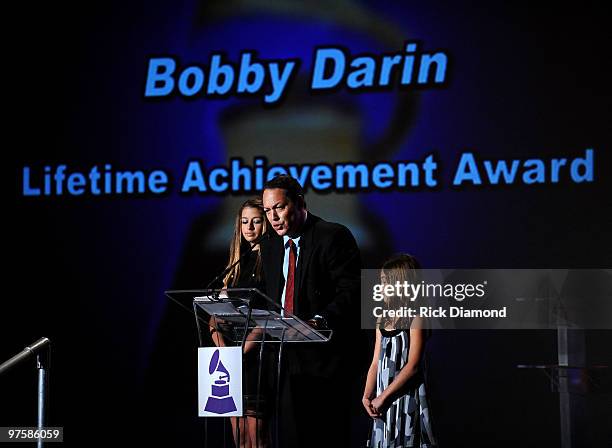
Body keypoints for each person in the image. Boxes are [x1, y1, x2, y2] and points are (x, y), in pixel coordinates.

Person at [260, 175, 361, 448]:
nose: (273, 217)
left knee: (324, 437)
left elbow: (352, 291)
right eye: (267, 211)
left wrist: (319, 320)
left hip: (322, 359)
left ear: (300, 202)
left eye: (279, 207)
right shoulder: (269, 246)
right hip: (282, 358)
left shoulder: (332, 236)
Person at [210, 197, 270, 448]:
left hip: (256, 358)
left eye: (256, 221)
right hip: (229, 361)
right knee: (239, 437)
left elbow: (269, 312)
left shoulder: (272, 263)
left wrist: (244, 349)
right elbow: (215, 315)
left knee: (256, 438)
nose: (250, 227)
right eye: (245, 221)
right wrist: (222, 347)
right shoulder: (235, 265)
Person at [362, 254, 437, 448]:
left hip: (404, 397)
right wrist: (367, 395)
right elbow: (375, 361)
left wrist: (384, 396)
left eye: (387, 282)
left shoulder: (416, 318)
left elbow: (413, 366)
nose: (382, 287)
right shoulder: (382, 319)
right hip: (382, 400)